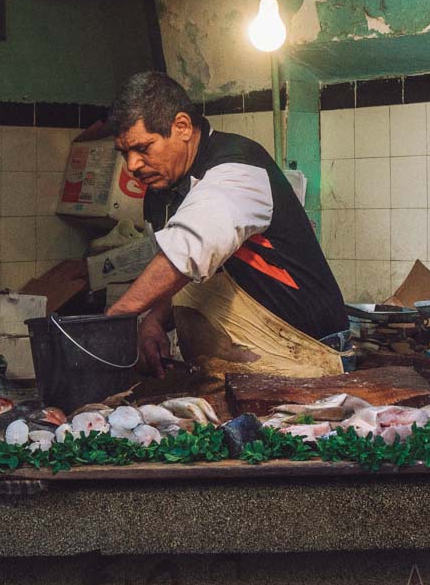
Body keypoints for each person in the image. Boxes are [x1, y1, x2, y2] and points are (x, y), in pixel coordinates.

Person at [104, 72, 351, 377]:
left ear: (181, 126)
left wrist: (111, 322)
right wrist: (154, 320)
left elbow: (190, 248)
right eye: (124, 152)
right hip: (235, 367)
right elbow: (191, 275)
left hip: (305, 355)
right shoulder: (161, 192)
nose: (132, 165)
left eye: (143, 148)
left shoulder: (237, 168)